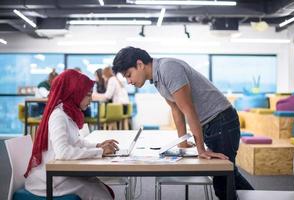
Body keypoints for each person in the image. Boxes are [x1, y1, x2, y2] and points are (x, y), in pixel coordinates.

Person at [112, 46, 254, 200]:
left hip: (221, 121)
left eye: (129, 75)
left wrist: (201, 149)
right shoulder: (157, 79)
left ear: (139, 64)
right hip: (212, 124)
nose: (129, 81)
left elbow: (188, 109)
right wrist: (183, 142)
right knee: (229, 175)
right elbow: (176, 109)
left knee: (223, 183)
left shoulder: (168, 68)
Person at [24, 69, 119, 200]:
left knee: (98, 186)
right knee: (100, 193)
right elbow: (62, 152)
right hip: (48, 181)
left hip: (59, 173)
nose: (91, 100)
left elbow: (76, 141)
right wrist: (99, 151)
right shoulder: (58, 116)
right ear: (75, 93)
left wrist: (98, 146)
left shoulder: (68, 111)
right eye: (88, 95)